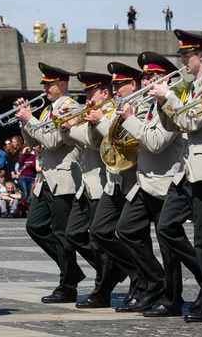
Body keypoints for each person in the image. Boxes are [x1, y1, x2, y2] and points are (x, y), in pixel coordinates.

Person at [147, 29, 202, 322]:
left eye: (186, 56)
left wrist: (168, 96)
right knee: (166, 226)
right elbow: (173, 125)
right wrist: (161, 101)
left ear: (201, 56)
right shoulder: (191, 86)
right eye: (181, 56)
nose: (183, 61)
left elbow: (192, 122)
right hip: (187, 169)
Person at [117, 52, 184, 313]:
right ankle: (155, 282)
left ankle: (173, 298)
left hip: (164, 183)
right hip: (145, 182)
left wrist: (129, 119)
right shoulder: (151, 106)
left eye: (154, 78)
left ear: (166, 80)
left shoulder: (169, 105)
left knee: (169, 246)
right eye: (146, 77)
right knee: (126, 230)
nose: (147, 83)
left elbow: (155, 143)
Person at [14, 63, 84, 303]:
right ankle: (72, 272)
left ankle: (68, 284)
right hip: (46, 178)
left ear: (62, 85)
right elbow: (34, 141)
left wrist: (30, 117)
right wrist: (24, 121)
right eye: (44, 84)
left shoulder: (70, 107)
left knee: (61, 232)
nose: (45, 89)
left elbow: (53, 141)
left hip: (64, 178)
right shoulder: (49, 110)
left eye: (49, 84)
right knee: (35, 226)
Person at [59, 71, 123, 309]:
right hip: (85, 184)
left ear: (104, 93)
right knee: (74, 233)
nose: (87, 99)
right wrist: (66, 128)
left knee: (99, 240)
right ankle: (114, 270)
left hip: (101, 181)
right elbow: (71, 141)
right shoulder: (90, 113)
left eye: (91, 93)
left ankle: (102, 289)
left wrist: (73, 125)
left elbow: (95, 142)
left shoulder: (108, 112)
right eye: (85, 93)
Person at [87, 62, 146, 312]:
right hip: (114, 180)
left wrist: (101, 121)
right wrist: (94, 122)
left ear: (133, 84)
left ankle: (144, 284)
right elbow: (96, 142)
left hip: (133, 178)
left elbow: (125, 139)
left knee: (135, 236)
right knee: (99, 231)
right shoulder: (118, 106)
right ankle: (137, 275)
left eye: (119, 84)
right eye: (113, 85)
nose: (115, 89)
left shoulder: (139, 105)